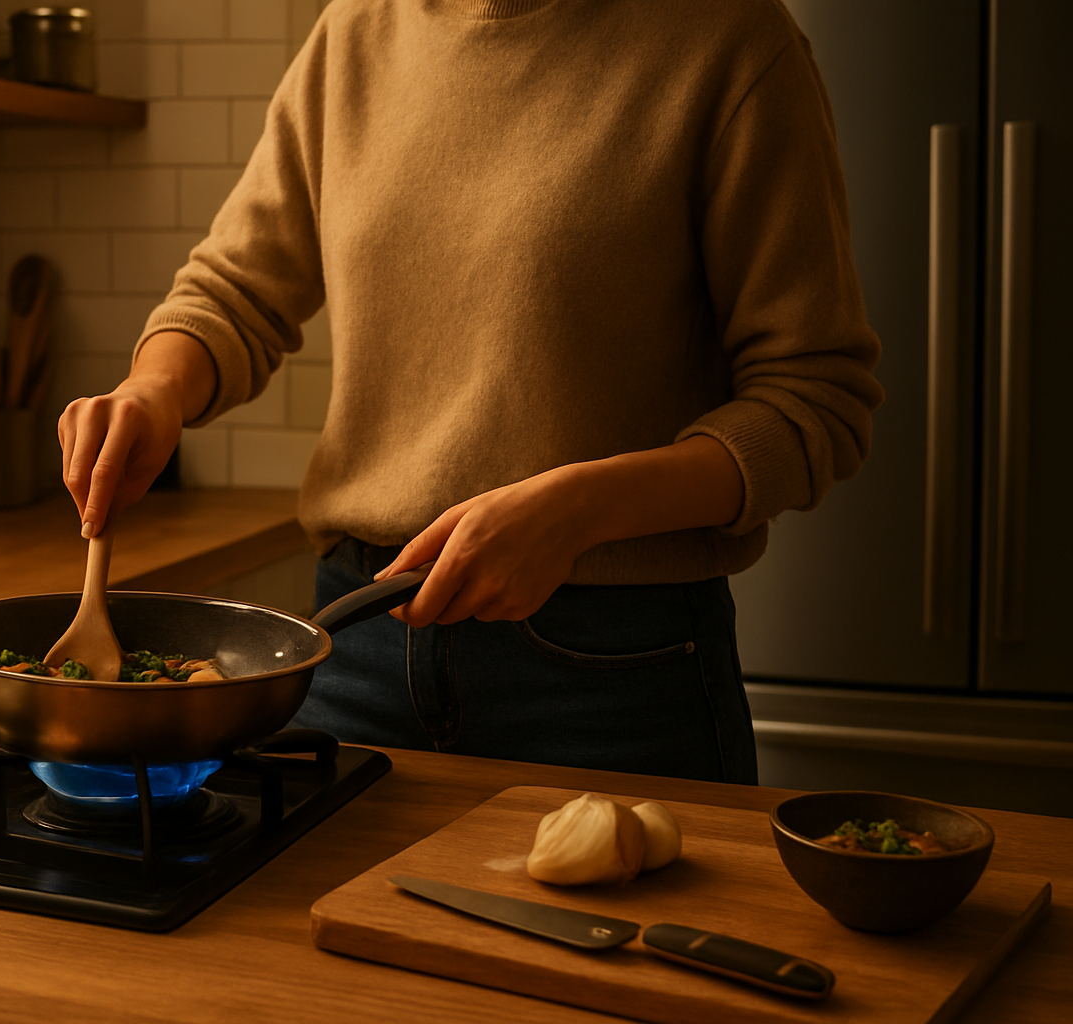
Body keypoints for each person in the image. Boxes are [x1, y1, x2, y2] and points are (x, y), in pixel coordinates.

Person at [57, 0, 884, 784]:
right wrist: (155, 390)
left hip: (613, 673)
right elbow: (235, 290)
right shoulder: (357, 31)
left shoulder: (728, 37)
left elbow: (815, 398)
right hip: (354, 645)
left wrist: (581, 509)